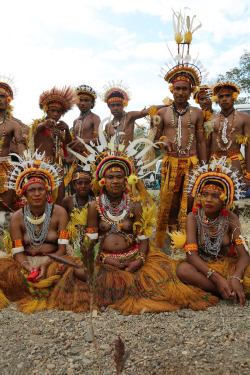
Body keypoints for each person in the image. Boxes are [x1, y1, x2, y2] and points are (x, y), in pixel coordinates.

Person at [65, 132, 219, 314]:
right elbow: (90, 242)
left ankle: (218, 288)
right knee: (79, 272)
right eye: (111, 177)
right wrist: (104, 259)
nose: (115, 181)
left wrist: (139, 261)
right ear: (102, 180)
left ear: (127, 180)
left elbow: (144, 240)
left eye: (119, 177)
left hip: (133, 258)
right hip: (106, 260)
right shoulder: (94, 206)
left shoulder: (135, 204)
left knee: (169, 273)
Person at [0, 151, 77, 313]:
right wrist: (28, 267)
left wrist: (46, 263)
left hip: (54, 261)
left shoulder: (59, 213)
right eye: (31, 190)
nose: (36, 194)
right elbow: (17, 251)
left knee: (76, 271)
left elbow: (62, 249)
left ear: (47, 191)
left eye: (40, 189)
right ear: (24, 194)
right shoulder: (17, 217)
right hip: (26, 263)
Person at [155, 16, 206, 247]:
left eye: (185, 89)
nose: (181, 92)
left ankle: (189, 237)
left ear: (190, 91)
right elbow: (155, 139)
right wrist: (162, 142)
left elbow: (202, 140)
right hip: (170, 162)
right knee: (170, 199)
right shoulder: (163, 112)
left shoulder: (197, 113)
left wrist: (203, 166)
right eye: (177, 88)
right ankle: (171, 236)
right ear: (172, 89)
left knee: (190, 198)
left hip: (192, 162)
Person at [176, 158, 250, 306]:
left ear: (224, 200)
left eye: (215, 196)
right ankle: (224, 290)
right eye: (205, 195)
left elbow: (243, 254)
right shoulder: (193, 217)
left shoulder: (231, 218)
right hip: (204, 269)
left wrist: (236, 277)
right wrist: (217, 278)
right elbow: (191, 256)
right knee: (183, 270)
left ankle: (229, 288)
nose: (208, 200)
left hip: (228, 265)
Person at [28, 86, 76, 204]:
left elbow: (69, 144)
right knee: (41, 197)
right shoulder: (38, 124)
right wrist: (45, 124)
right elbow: (38, 130)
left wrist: (66, 130)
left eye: (58, 111)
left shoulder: (59, 129)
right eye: (52, 110)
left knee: (59, 198)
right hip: (41, 165)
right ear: (46, 110)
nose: (55, 113)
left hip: (57, 166)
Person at [101, 81, 166, 150]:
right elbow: (105, 144)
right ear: (109, 106)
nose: (115, 108)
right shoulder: (108, 126)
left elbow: (146, 111)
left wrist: (167, 105)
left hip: (128, 158)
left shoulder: (129, 116)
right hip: (112, 158)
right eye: (113, 105)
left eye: (118, 105)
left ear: (123, 105)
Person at [209, 82, 250, 190]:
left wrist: (248, 174)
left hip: (235, 160)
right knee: (215, 194)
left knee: (234, 198)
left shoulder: (244, 117)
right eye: (221, 96)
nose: (224, 99)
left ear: (234, 97)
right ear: (217, 100)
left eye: (228, 95)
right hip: (214, 161)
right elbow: (206, 144)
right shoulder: (211, 119)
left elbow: (248, 146)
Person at [0, 77, 26, 213]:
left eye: (2, 96)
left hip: (6, 171)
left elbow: (20, 144)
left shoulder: (13, 125)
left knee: (5, 208)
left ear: (8, 101)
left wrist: (27, 162)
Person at [68, 85, 100, 152]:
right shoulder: (75, 121)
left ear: (92, 103)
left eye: (86, 100)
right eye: (80, 100)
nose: (83, 103)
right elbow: (74, 141)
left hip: (91, 157)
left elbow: (99, 140)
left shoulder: (95, 118)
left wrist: (84, 142)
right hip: (77, 157)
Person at [193, 85, 215, 162]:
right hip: (197, 158)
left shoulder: (219, 117)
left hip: (216, 159)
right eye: (201, 99)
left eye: (208, 98)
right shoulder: (193, 117)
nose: (205, 101)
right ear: (198, 101)